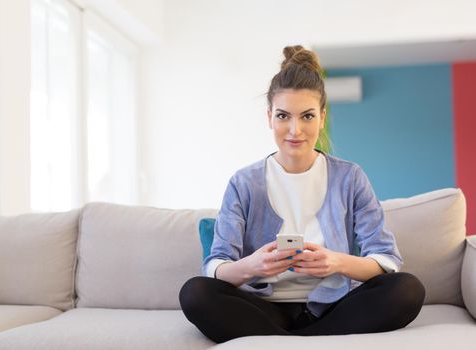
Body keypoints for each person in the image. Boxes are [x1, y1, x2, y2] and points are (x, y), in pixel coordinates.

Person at [179, 45, 425, 344]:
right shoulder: (244, 182)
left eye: (307, 116)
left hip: (332, 306)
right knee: (194, 293)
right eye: (283, 116)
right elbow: (216, 266)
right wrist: (252, 266)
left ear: (321, 117)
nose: (295, 130)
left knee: (407, 289)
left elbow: (386, 258)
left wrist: (336, 262)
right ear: (269, 117)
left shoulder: (350, 177)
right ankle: (314, 342)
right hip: (264, 307)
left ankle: (286, 341)